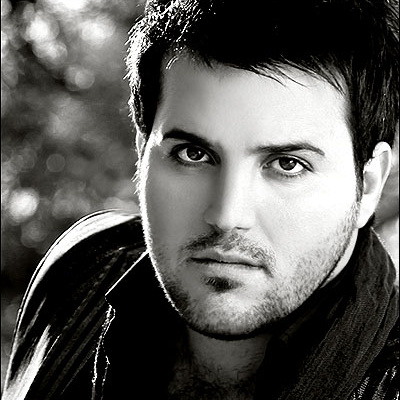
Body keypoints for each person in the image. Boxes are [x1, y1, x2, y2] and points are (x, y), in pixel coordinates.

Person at [3, 0, 399, 399]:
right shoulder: (81, 268)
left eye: (287, 164)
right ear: (142, 151)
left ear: (368, 184)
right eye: (193, 154)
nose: (227, 215)